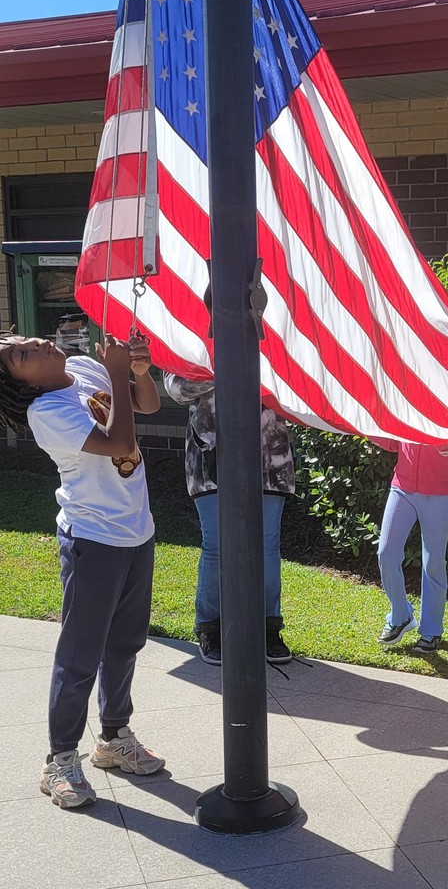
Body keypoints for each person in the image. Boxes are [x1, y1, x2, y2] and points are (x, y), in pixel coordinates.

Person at [0, 330, 165, 809]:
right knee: (79, 655)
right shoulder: (46, 412)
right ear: (19, 384)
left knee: (125, 643)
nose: (32, 344)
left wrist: (135, 373)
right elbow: (120, 441)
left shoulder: (85, 367)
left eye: (24, 340)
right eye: (20, 356)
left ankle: (114, 739)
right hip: (93, 538)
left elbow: (147, 407)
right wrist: (116, 369)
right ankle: (60, 761)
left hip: (137, 530)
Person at [163, 373, 296, 666]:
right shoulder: (191, 343)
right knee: (217, 546)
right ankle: (210, 628)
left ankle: (268, 629)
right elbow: (176, 388)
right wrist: (227, 365)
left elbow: (295, 390)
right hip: (211, 462)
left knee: (267, 547)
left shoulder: (272, 342)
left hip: (270, 462)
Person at [372, 438, 448, 655]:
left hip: (440, 493)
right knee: (386, 553)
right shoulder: (408, 405)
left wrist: (441, 444)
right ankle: (400, 616)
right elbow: (394, 442)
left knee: (433, 561)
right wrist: (371, 430)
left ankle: (431, 630)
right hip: (402, 488)